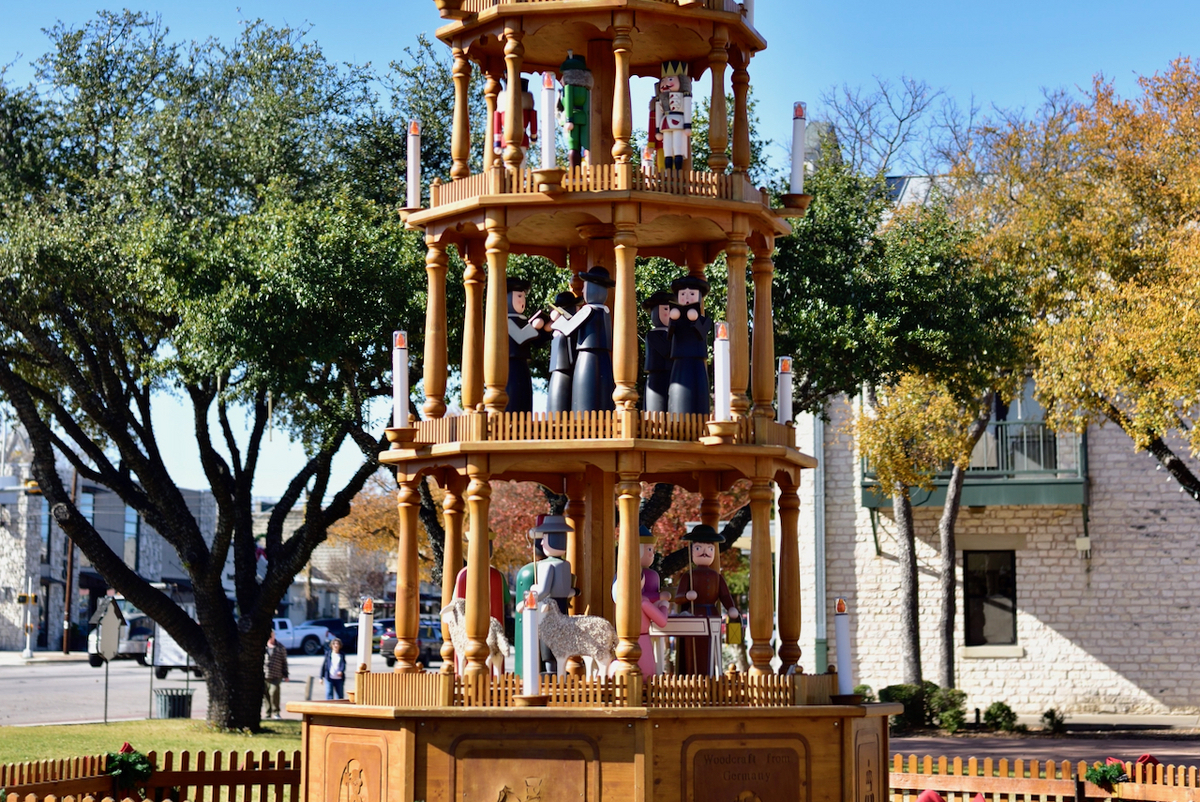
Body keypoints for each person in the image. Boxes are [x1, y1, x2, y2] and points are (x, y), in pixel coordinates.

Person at [671, 524, 739, 675]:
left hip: (712, 615)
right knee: (693, 649)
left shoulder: (717, 576)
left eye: (709, 549)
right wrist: (687, 596)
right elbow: (678, 598)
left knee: (712, 647)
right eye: (698, 548)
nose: (704, 552)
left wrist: (731, 607)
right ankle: (692, 676)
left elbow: (725, 595)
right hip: (693, 616)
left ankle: (711, 676)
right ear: (692, 551)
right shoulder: (688, 575)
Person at [263, 629, 289, 719]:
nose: (270, 637)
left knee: (274, 692)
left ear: (274, 635)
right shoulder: (263, 646)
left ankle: (276, 712)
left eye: (271, 635)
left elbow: (284, 661)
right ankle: (267, 712)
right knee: (265, 694)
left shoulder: (280, 647)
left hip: (276, 675)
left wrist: (286, 674)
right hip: (265, 675)